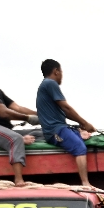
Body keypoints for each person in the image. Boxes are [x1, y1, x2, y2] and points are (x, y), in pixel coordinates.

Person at [36, 59, 96, 187]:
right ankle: (85, 183)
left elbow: (66, 113)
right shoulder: (50, 83)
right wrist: (85, 122)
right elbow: (66, 107)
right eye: (61, 71)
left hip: (61, 127)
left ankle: (79, 133)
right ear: (56, 71)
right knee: (79, 147)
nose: (62, 74)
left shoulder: (46, 85)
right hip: (55, 131)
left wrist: (82, 125)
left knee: (83, 135)